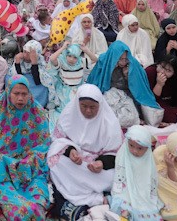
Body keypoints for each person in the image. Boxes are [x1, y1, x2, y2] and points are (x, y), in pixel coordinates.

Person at [0, 75, 51, 221]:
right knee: (14, 204)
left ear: (29, 94)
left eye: (24, 94)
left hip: (29, 167)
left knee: (38, 197)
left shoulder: (37, 112)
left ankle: (35, 209)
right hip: (3, 167)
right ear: (8, 92)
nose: (20, 98)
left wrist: (27, 161)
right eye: (16, 93)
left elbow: (44, 144)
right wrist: (9, 163)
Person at [48, 84, 122, 217]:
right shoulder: (69, 114)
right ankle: (94, 197)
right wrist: (70, 151)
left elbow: (117, 154)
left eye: (93, 107)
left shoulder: (110, 123)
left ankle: (83, 195)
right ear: (77, 104)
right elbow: (59, 140)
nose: (88, 111)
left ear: (100, 105)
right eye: (84, 106)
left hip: (95, 169)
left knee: (114, 176)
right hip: (74, 164)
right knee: (56, 161)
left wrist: (101, 163)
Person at [87, 41, 162, 128]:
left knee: (129, 117)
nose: (123, 62)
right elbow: (96, 81)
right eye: (120, 59)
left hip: (126, 96)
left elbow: (138, 88)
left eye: (125, 59)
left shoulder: (132, 64)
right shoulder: (105, 61)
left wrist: (128, 76)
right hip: (108, 95)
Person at [108, 125, 164, 220]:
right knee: (122, 207)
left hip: (142, 194)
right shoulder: (123, 153)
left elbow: (149, 181)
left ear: (147, 148)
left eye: (140, 148)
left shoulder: (148, 160)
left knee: (146, 209)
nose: (134, 151)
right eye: (131, 145)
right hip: (125, 192)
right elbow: (120, 177)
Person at [9, 39, 54, 108]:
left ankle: (35, 105)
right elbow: (17, 76)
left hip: (35, 83)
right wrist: (17, 62)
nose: (25, 55)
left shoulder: (40, 61)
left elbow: (37, 81)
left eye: (29, 53)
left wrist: (34, 62)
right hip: (22, 80)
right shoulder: (20, 59)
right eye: (24, 52)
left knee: (43, 88)